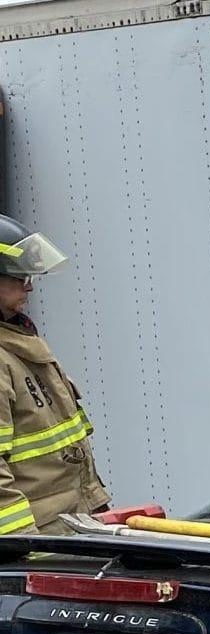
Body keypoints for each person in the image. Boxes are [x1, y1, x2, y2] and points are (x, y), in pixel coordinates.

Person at [0, 216, 108, 533]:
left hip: (71, 526)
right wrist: (24, 542)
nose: (29, 285)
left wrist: (96, 507)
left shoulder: (21, 344)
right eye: (18, 276)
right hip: (39, 542)